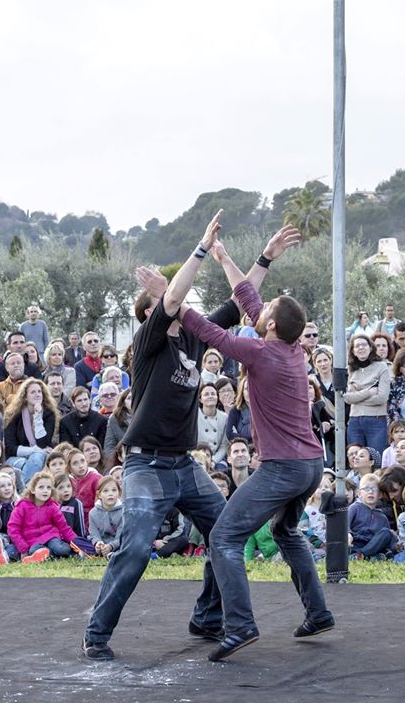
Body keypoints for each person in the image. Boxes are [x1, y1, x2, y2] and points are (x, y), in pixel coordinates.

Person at [82, 217, 296, 661]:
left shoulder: (195, 339)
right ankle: (96, 633)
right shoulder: (150, 342)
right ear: (152, 313)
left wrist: (265, 258)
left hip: (182, 464)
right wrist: (200, 249)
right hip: (145, 464)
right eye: (167, 303)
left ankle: (207, 616)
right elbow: (175, 297)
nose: (180, 306)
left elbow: (239, 304)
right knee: (137, 547)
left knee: (226, 533)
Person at [177, 234, 334, 663]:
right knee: (285, 531)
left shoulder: (261, 353)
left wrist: (170, 300)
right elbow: (248, 299)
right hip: (311, 464)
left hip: (283, 467)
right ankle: (318, 613)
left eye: (265, 311)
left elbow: (210, 332)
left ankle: (241, 626)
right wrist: (233, 257)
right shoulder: (289, 349)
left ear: (269, 325)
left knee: (225, 537)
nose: (258, 309)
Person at [8, 469, 78, 563]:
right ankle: (45, 555)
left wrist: (78, 543)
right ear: (33, 489)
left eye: (48, 488)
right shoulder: (22, 506)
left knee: (62, 549)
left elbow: (64, 527)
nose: (45, 491)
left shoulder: (52, 506)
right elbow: (13, 528)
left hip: (51, 537)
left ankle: (51, 555)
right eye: (41, 487)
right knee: (34, 551)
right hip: (32, 541)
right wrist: (23, 549)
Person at [3, 378, 58, 482]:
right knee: (35, 458)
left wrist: (38, 417)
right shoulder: (13, 415)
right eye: (33, 392)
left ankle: (23, 490)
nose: (37, 394)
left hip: (41, 456)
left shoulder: (49, 414)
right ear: (25, 397)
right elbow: (10, 448)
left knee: (36, 458)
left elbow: (43, 443)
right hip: (16, 459)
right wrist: (34, 450)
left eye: (39, 392)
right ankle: (26, 490)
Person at [344, 335, 391, 455]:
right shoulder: (350, 369)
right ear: (353, 351)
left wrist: (356, 397)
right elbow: (347, 398)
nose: (361, 348)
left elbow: (382, 398)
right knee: (355, 459)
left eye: (364, 345)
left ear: (370, 347)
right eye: (357, 346)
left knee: (376, 458)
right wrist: (368, 392)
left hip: (376, 420)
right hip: (354, 420)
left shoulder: (381, 367)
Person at [348, 473, 395, 560]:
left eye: (374, 489)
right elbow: (345, 524)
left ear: (380, 494)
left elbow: (385, 539)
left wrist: (396, 546)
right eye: (366, 489)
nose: (370, 491)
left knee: (387, 532)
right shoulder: (354, 508)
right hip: (354, 544)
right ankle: (363, 556)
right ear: (359, 493)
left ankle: (362, 556)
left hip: (372, 546)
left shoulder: (382, 517)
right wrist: (348, 533)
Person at [88, 476, 123, 558]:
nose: (110, 494)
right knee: (79, 541)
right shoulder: (93, 513)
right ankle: (105, 553)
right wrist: (98, 543)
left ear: (119, 493)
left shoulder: (123, 512)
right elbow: (94, 534)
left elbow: (121, 536)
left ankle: (113, 554)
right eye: (106, 491)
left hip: (118, 543)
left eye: (114, 490)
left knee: (130, 543)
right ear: (99, 495)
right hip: (102, 544)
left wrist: (111, 546)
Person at [197, 384, 229, 467]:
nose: (210, 396)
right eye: (206, 394)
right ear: (200, 399)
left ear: (217, 397)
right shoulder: (194, 416)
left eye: (213, 394)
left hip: (217, 458)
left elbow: (224, 445)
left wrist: (214, 461)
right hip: (197, 457)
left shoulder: (224, 417)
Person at [102, 389, 133, 466]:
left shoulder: (147, 416)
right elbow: (109, 446)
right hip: (124, 459)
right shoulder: (115, 419)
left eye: (134, 397)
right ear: (123, 402)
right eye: (129, 398)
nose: (133, 401)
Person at [226, 376, 251, 444]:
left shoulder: (264, 409)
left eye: (252, 388)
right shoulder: (235, 411)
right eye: (246, 389)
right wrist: (250, 442)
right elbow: (230, 434)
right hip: (242, 446)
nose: (250, 391)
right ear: (242, 392)